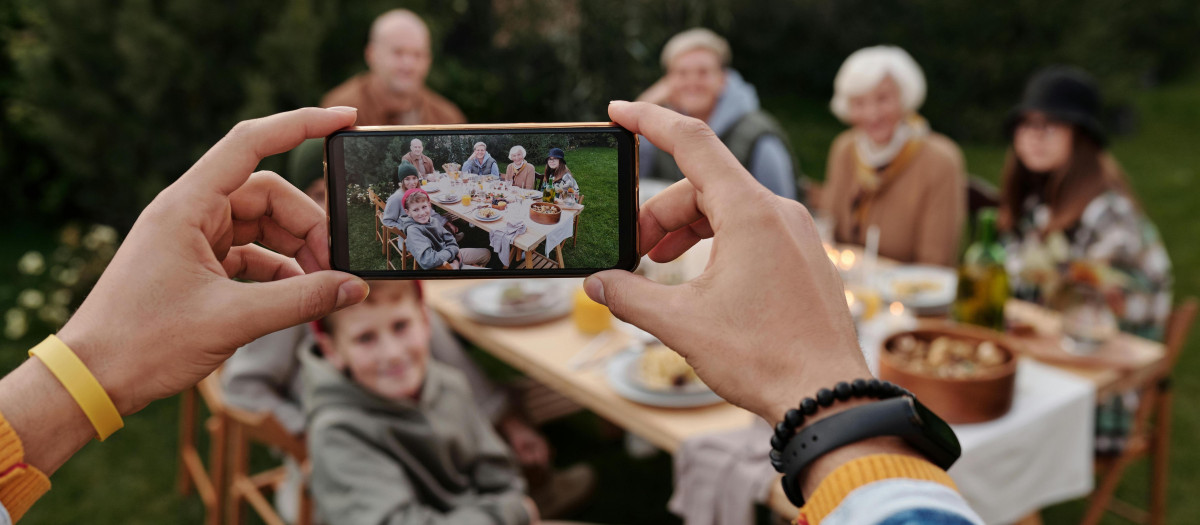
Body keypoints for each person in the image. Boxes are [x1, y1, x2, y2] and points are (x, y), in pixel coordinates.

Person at [0, 104, 981, 524]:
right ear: (331, 343)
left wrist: (75, 377)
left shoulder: (489, 215)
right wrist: (831, 397)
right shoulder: (350, 421)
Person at [303, 280, 562, 524]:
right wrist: (510, 513)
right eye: (365, 338)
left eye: (401, 326)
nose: (392, 354)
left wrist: (508, 505)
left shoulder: (450, 385)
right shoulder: (337, 433)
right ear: (332, 351)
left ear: (426, 321)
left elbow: (499, 474)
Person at [999, 66, 1173, 340]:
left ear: (1082, 137)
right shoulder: (1036, 198)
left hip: (1109, 355)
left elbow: (1137, 310)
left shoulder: (1107, 212)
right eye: (1026, 123)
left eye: (1051, 124)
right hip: (1049, 337)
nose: (1035, 134)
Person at [819, 46, 967, 267]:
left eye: (883, 99)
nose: (872, 114)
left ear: (904, 98)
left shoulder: (941, 160)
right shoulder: (844, 148)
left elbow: (936, 262)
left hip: (909, 295)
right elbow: (828, 231)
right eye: (859, 103)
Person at [636, 28, 799, 200]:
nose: (692, 82)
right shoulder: (656, 133)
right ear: (667, 81)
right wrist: (645, 105)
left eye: (703, 72)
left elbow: (784, 209)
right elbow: (623, 179)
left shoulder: (758, 138)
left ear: (723, 78)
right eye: (681, 73)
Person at [320, 9, 466, 126]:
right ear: (371, 55)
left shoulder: (448, 118)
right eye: (398, 52)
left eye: (418, 54)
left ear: (429, 60)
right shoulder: (340, 111)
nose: (409, 64)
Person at [402, 188, 491, 269]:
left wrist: (454, 253)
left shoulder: (432, 220)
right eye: (415, 210)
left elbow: (449, 236)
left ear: (429, 205)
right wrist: (454, 256)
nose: (422, 213)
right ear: (408, 212)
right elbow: (429, 261)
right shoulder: (413, 231)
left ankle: (471, 267)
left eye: (424, 207)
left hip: (450, 255)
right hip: (444, 266)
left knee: (486, 253)